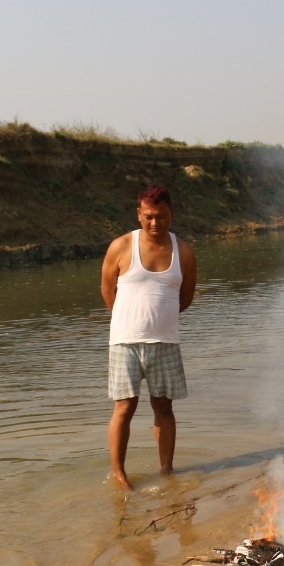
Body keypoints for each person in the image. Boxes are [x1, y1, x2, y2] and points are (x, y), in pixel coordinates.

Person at [100, 184, 199, 490]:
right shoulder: (121, 246)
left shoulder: (183, 251)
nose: (155, 223)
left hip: (165, 342)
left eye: (162, 216)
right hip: (124, 342)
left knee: (164, 408)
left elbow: (185, 297)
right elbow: (107, 289)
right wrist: (127, 321)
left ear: (172, 215)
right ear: (138, 214)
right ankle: (120, 475)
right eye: (149, 217)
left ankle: (167, 470)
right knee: (124, 408)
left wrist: (160, 320)